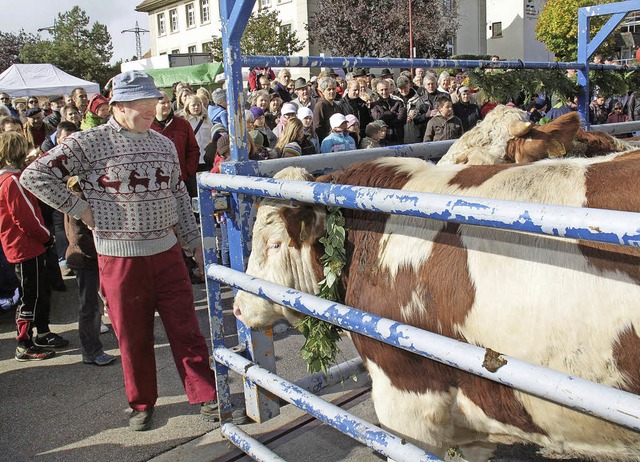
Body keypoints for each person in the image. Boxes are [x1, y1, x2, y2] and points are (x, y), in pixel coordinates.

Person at [20, 71, 220, 430]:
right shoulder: (89, 142)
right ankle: (141, 403)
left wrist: (195, 245)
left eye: (154, 101)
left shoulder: (163, 143)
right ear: (119, 106)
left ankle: (206, 394)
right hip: (119, 256)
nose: (153, 108)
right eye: (144, 104)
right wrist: (79, 208)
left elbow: (177, 195)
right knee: (132, 334)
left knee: (187, 329)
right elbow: (34, 175)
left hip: (167, 252)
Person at [0, 131, 69, 361]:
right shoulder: (12, 181)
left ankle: (41, 332)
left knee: (38, 292)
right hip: (26, 246)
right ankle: (24, 342)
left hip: (26, 245)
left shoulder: (9, 179)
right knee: (30, 296)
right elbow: (26, 218)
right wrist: (47, 236)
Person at [64, 176, 117, 366]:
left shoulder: (78, 194)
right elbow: (78, 236)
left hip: (88, 258)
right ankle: (91, 351)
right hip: (85, 259)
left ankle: (94, 350)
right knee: (90, 307)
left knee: (96, 305)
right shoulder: (80, 197)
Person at [151, 91, 200, 199]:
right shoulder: (147, 127)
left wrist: (188, 170)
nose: (167, 105)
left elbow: (193, 149)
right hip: (157, 181)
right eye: (163, 103)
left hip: (182, 179)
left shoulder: (183, 124)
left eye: (168, 102)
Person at [183, 94, 214, 175]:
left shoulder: (207, 120)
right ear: (188, 107)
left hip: (206, 158)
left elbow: (212, 135)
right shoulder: (185, 122)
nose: (196, 107)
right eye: (193, 105)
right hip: (193, 159)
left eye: (198, 105)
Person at [370, 80, 407, 145]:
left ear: (389, 89)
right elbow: (378, 119)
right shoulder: (374, 105)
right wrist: (393, 113)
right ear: (378, 91)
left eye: (386, 89)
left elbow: (401, 120)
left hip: (397, 138)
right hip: (382, 140)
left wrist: (386, 118)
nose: (384, 92)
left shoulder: (398, 103)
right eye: (381, 90)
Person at [313, 77, 343, 143]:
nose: (332, 91)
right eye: (329, 89)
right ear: (323, 92)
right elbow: (317, 127)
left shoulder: (337, 106)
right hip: (326, 141)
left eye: (333, 89)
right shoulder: (320, 106)